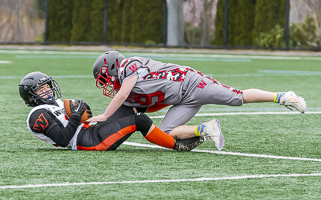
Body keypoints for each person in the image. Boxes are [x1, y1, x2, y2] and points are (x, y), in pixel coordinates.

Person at [87, 51, 307, 150]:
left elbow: (123, 95)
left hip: (192, 83)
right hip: (182, 100)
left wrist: (106, 115)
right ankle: (207, 129)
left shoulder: (130, 66)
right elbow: (148, 104)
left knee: (236, 97)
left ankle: (283, 97)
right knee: (166, 132)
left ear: (115, 66)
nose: (108, 84)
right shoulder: (129, 87)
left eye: (106, 78)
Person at [18, 71, 206, 151]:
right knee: (140, 120)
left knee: (132, 103)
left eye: (47, 86)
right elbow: (63, 139)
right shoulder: (37, 115)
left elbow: (80, 119)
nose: (48, 90)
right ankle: (177, 144)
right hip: (87, 142)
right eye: (41, 89)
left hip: (90, 130)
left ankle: (177, 99)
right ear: (31, 96)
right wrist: (76, 114)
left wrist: (83, 112)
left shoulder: (55, 103)